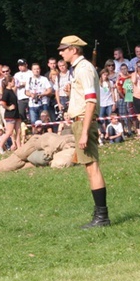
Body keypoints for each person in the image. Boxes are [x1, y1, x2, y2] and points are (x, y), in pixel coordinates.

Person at [57, 35, 110, 228]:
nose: (61, 52)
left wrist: (85, 131)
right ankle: (99, 214)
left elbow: (91, 101)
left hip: (84, 122)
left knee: (92, 167)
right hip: (80, 122)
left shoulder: (84, 69)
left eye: (64, 49)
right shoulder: (79, 69)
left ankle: (102, 216)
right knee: (90, 168)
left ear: (74, 49)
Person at [0, 76, 20, 153]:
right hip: (10, 114)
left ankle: (19, 148)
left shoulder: (12, 91)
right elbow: (2, 102)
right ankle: (0, 146)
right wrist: (8, 108)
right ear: (9, 83)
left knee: (18, 131)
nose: (14, 82)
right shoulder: (6, 92)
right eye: (13, 81)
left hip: (16, 114)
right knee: (9, 132)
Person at [25, 63, 53, 129]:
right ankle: (35, 137)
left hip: (43, 103)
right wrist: (31, 95)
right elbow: (26, 92)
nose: (36, 70)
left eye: (38, 69)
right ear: (32, 70)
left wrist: (42, 94)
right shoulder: (29, 79)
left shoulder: (44, 79)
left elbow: (49, 90)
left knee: (45, 122)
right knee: (33, 122)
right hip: (32, 104)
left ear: (40, 70)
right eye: (34, 69)